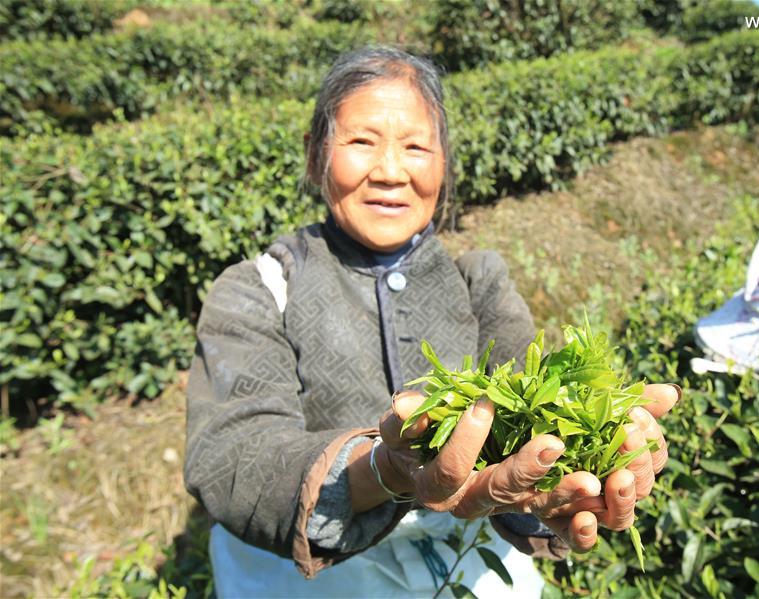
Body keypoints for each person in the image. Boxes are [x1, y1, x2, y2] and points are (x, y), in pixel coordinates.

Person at [183, 46, 681, 598]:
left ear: (442, 163)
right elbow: (232, 458)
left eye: (416, 147)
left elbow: (532, 411)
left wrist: (569, 478)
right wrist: (384, 470)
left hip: (461, 560)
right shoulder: (257, 289)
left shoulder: (478, 283)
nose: (391, 172)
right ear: (314, 156)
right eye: (361, 142)